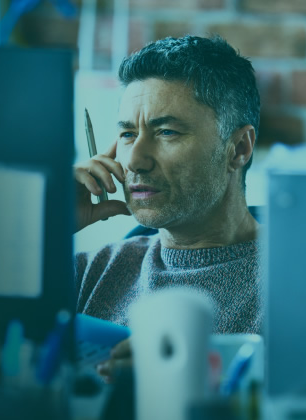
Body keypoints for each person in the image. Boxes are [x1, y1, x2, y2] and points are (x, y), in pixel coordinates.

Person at [73, 35, 261, 381]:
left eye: (167, 132)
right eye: (128, 134)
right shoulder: (92, 272)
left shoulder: (298, 287)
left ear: (238, 148)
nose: (135, 160)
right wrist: (42, 225)